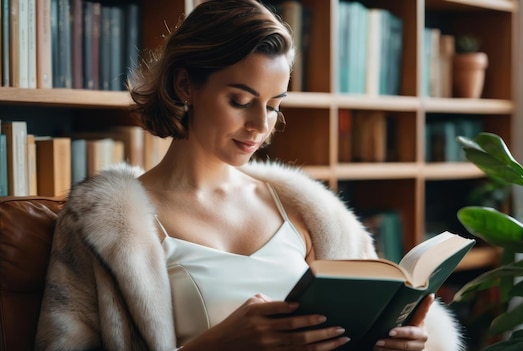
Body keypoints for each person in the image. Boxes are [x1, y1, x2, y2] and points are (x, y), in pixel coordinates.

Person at [35, 1, 463, 350]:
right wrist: (217, 346)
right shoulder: (106, 226)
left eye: (274, 104)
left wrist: (399, 343)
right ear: (185, 85)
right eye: (241, 100)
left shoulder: (308, 212)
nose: (261, 124)